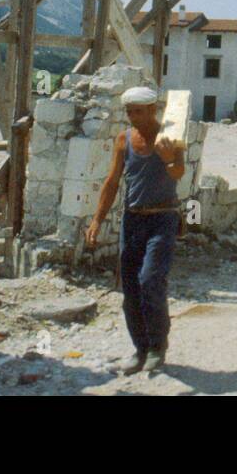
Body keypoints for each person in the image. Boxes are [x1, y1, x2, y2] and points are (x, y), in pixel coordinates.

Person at [86, 86, 184, 375]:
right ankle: (140, 349)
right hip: (132, 220)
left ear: (152, 109)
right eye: (129, 112)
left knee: (151, 280)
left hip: (163, 219)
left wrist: (167, 157)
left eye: (137, 112)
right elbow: (112, 182)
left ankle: (157, 347)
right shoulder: (123, 139)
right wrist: (96, 221)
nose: (132, 117)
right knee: (129, 289)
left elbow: (178, 173)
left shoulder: (170, 136)